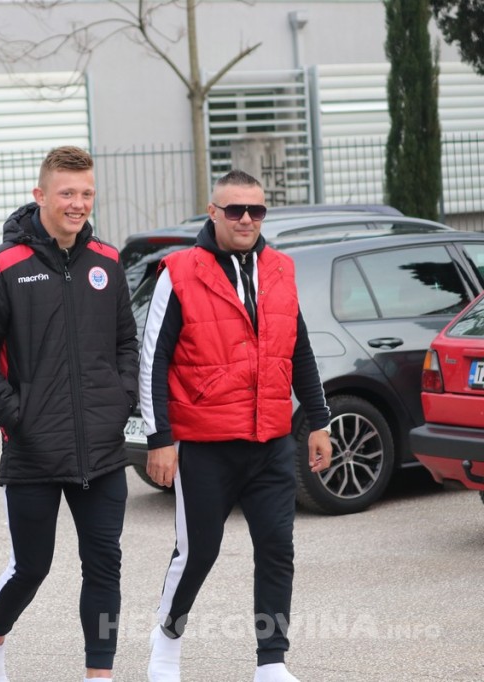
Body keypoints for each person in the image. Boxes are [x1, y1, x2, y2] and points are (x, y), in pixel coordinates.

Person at [138, 169, 333, 682]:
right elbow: (152, 359)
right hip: (203, 445)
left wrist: (318, 419)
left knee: (277, 547)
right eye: (235, 210)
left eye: (256, 210)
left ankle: (271, 662)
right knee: (198, 551)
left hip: (269, 440)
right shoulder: (178, 271)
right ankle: (167, 640)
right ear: (213, 212)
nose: (246, 219)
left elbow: (300, 347)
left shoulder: (282, 269)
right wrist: (160, 439)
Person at [0, 145, 140, 682]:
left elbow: (126, 344)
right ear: (41, 195)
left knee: (105, 564)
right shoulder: (2, 266)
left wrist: (119, 401)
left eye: (86, 193)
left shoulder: (107, 261)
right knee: (32, 567)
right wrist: (19, 417)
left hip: (103, 450)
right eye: (67, 193)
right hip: (35, 448)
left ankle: (99, 674)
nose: (79, 203)